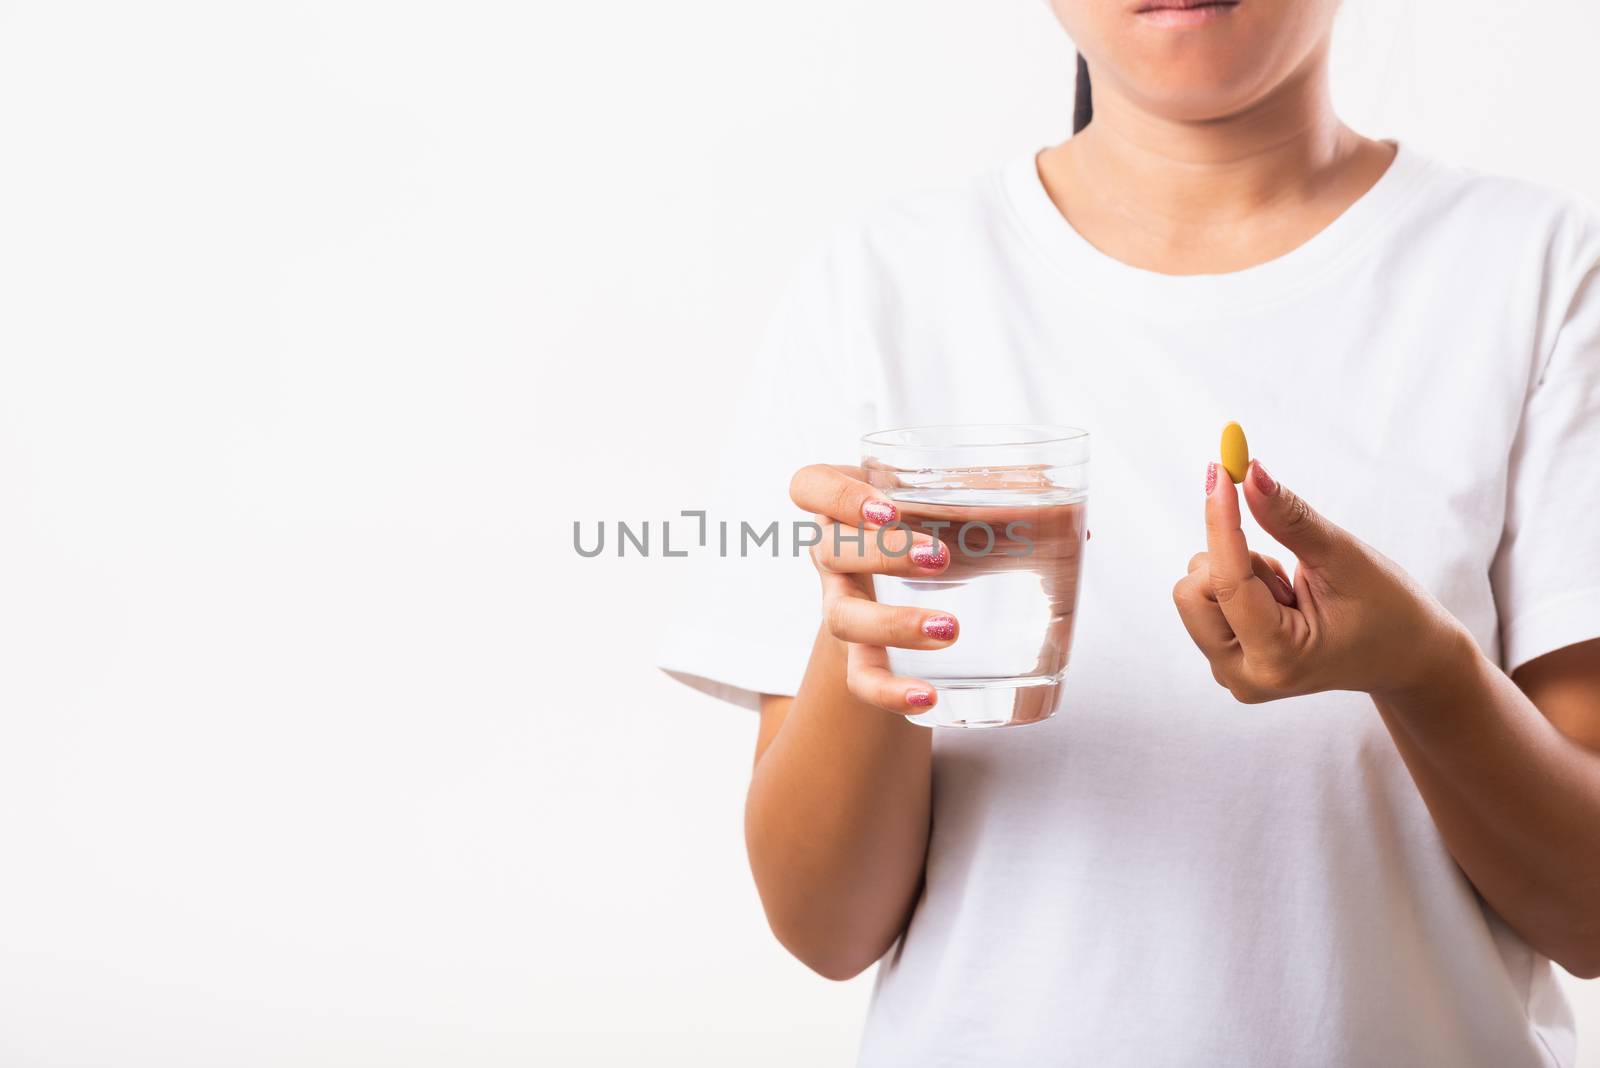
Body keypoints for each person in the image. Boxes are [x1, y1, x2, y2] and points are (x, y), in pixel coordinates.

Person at [657, 0, 1600, 1063]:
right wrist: (868, 635)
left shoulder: (1537, 270)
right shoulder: (885, 285)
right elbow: (825, 930)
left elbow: (1588, 913)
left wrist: (1426, 673)